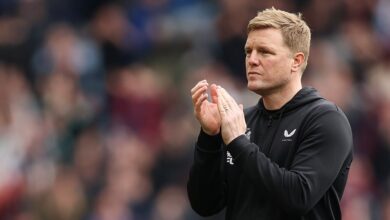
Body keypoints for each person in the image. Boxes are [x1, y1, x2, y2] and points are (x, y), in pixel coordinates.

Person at [187, 7, 353, 220]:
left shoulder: (326, 120)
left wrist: (239, 143)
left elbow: (298, 197)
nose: (252, 60)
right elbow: (205, 204)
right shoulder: (241, 122)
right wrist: (209, 138)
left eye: (265, 52)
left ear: (297, 61)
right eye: (249, 51)